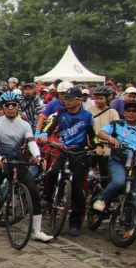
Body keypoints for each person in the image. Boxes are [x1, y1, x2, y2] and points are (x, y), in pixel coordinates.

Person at [0, 91, 53, 242]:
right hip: (0, 156)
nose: (10, 108)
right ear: (2, 108)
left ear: (18, 106)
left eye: (14, 105)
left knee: (34, 192)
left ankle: (36, 231)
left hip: (17, 159)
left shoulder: (24, 124)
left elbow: (30, 142)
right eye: (7, 105)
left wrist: (37, 156)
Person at [39, 85, 96, 236]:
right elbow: (49, 126)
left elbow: (92, 134)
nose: (68, 102)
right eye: (66, 99)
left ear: (79, 100)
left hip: (79, 152)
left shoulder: (87, 116)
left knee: (78, 188)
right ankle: (47, 197)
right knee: (52, 172)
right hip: (62, 149)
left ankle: (75, 222)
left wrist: (97, 146)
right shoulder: (61, 113)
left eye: (71, 99)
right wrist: (44, 135)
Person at [91, 100, 136, 214]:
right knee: (119, 182)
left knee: (135, 196)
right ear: (124, 113)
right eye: (128, 111)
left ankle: (131, 228)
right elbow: (101, 133)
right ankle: (102, 199)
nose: (131, 113)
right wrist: (110, 138)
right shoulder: (117, 124)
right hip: (118, 161)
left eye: (134, 111)